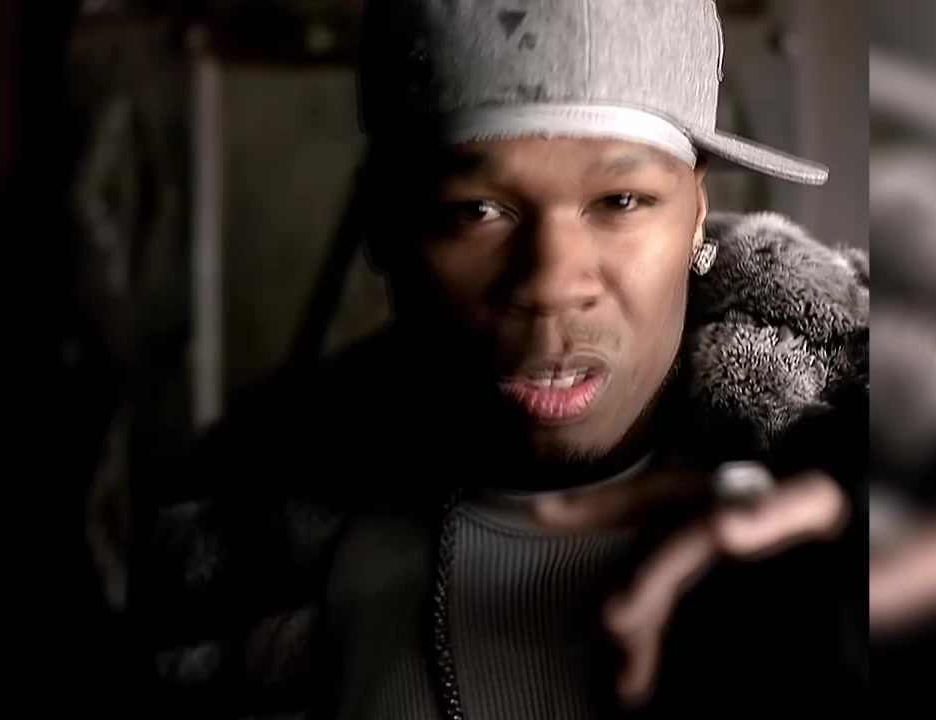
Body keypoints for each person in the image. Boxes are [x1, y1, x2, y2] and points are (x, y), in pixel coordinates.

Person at [131, 1, 868, 717]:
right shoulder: (243, 569)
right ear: (386, 225)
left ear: (697, 209)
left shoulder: (856, 490)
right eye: (476, 211)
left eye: (620, 201)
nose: (550, 284)